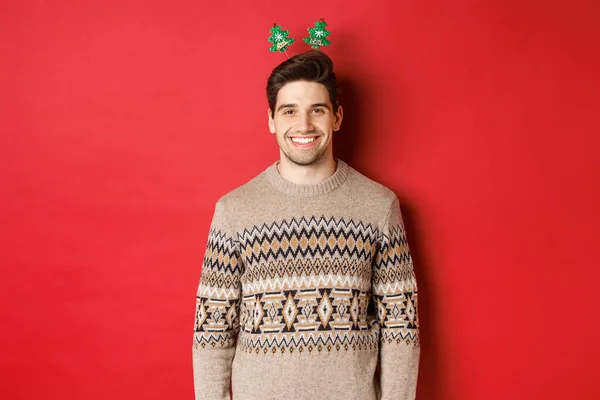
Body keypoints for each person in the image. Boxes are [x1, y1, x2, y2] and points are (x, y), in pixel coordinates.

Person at [192, 49, 420, 400]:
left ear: (337, 117)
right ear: (271, 119)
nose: (303, 125)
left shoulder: (379, 207)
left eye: (317, 109)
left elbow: (401, 330)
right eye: (289, 111)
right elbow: (211, 334)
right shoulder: (233, 212)